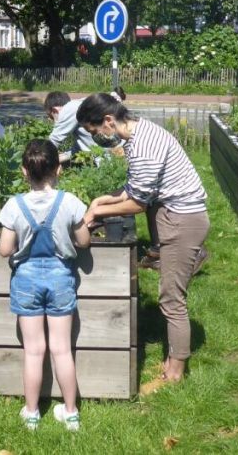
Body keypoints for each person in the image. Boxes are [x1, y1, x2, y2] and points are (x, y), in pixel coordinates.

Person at [75, 93, 210, 391]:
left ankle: (174, 373)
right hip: (177, 214)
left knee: (171, 299)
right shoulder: (140, 133)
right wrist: (103, 201)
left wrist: (97, 210)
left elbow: (137, 203)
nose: (97, 137)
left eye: (95, 131)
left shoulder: (144, 147)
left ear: (108, 121)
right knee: (171, 290)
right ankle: (190, 258)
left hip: (182, 221)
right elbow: (133, 189)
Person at [0, 139, 90, 432]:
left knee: (34, 350)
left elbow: (4, 249)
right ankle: (71, 413)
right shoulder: (70, 202)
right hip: (61, 277)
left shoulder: (14, 205)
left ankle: (32, 412)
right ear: (57, 169)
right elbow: (84, 241)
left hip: (26, 280)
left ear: (25, 171)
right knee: (62, 349)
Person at [43, 91, 96, 157]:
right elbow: (80, 147)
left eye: (52, 117)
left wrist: (34, 162)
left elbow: (53, 141)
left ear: (55, 111)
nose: (52, 121)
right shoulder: (79, 106)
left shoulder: (70, 109)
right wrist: (59, 158)